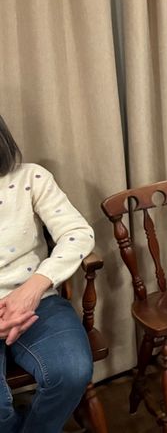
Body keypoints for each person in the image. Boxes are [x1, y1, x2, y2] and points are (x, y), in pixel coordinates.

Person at [0, 113, 95, 433]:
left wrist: (33, 288)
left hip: (37, 299)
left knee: (72, 371)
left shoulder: (30, 178)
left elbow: (78, 233)